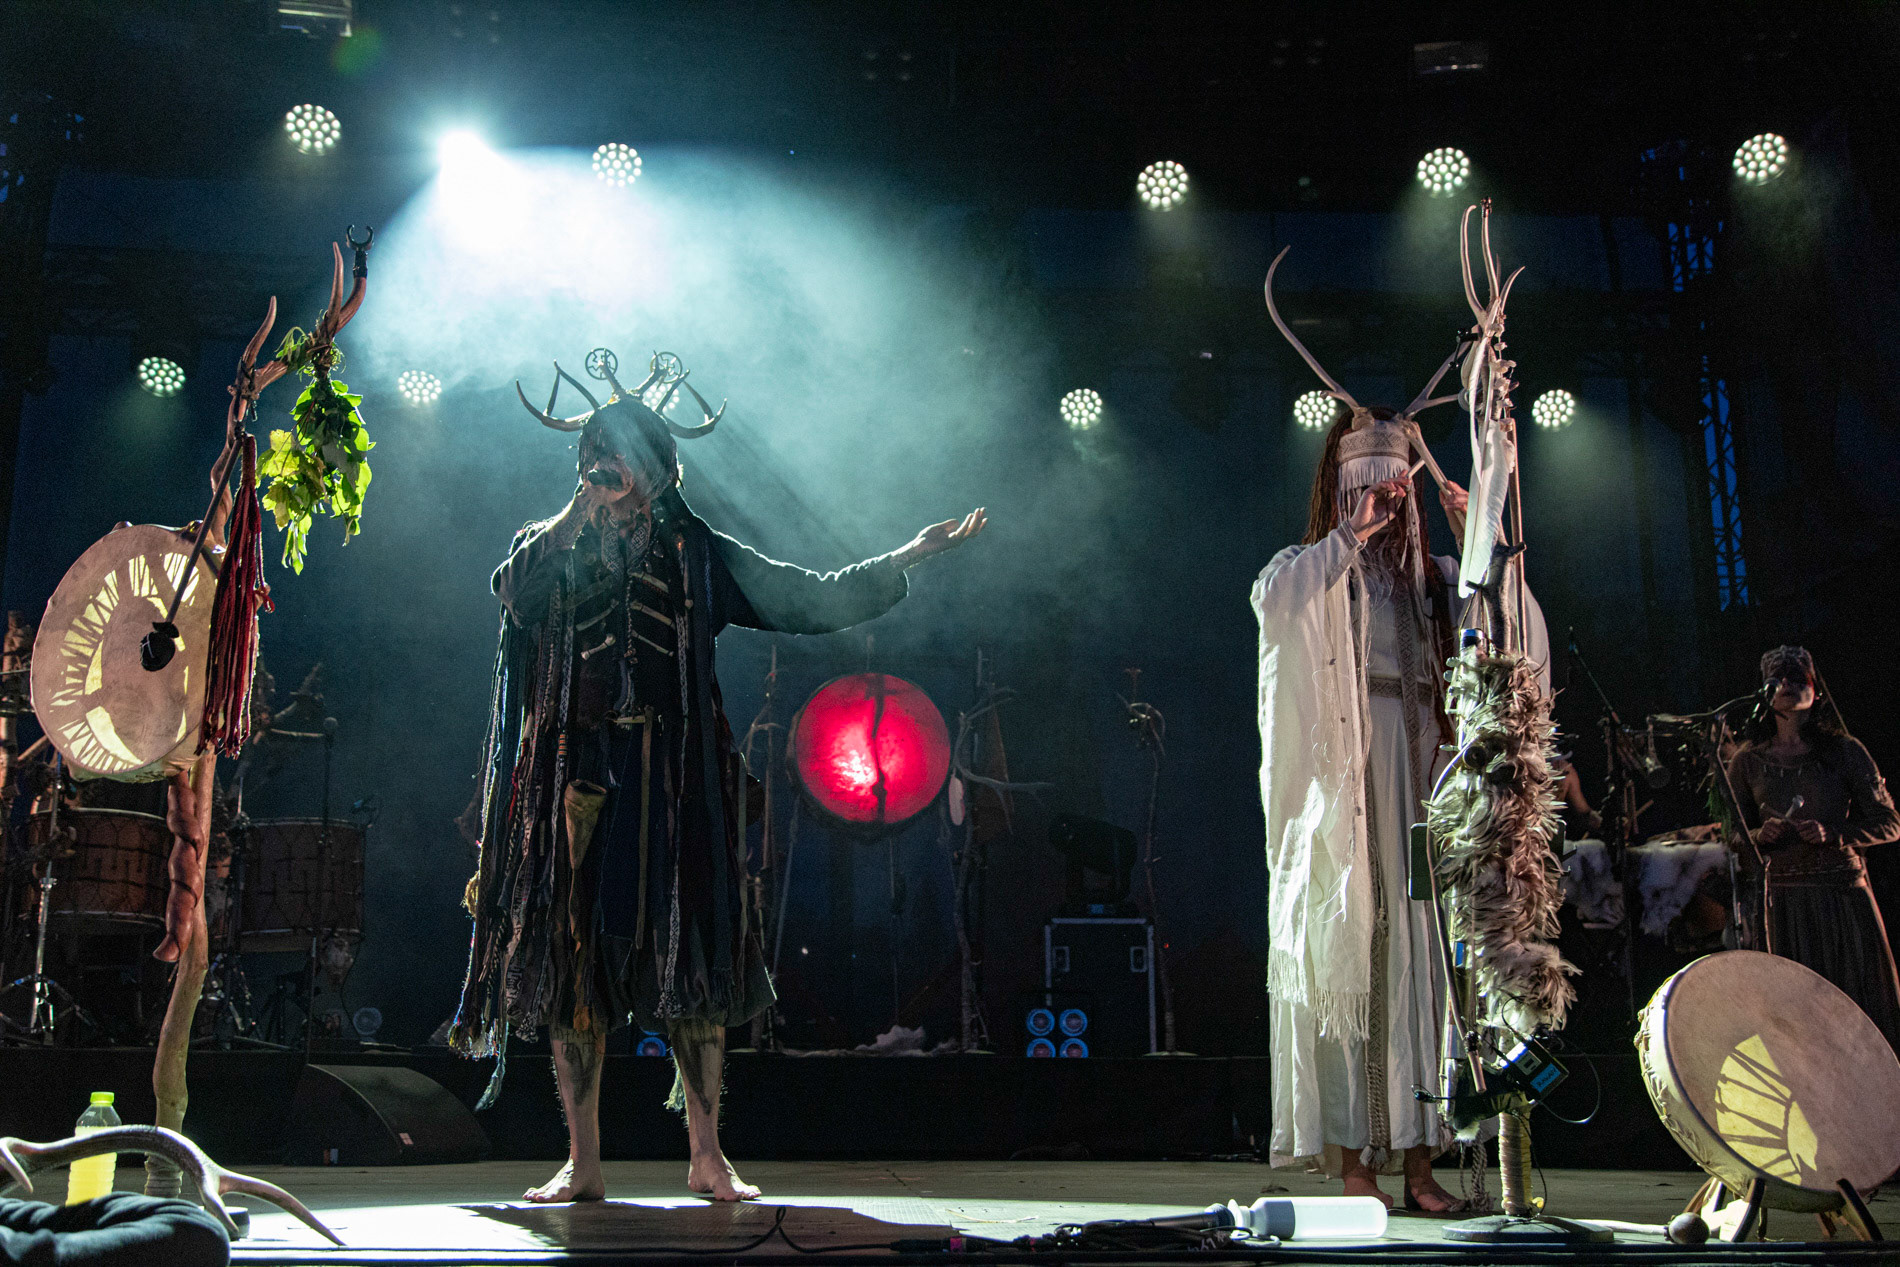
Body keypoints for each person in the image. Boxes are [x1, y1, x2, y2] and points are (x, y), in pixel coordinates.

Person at [450, 355, 985, 1203]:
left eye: (626, 453)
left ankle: (706, 1153)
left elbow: (806, 597)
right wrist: (575, 510)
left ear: (663, 470)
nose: (610, 464)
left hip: (674, 779)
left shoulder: (699, 553)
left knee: (692, 962)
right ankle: (582, 1163)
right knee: (571, 963)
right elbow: (511, 595)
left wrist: (905, 558)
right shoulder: (547, 544)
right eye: (598, 450)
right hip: (577, 779)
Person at [1253, 402, 1481, 1211]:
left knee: (1423, 967)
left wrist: (1477, 532)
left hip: (1421, 781)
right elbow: (1277, 605)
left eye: (1399, 488)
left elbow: (1514, 627)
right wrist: (1349, 536)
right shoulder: (1309, 568)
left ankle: (1422, 1163)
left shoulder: (1438, 586)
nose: (1389, 502)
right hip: (1348, 793)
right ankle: (1358, 1161)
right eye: (1371, 487)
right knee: (1355, 954)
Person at [1726, 646, 1900, 1051]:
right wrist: (1756, 836)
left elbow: (1890, 823)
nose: (1787, 685)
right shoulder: (1747, 761)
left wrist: (1833, 832)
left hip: (1840, 898)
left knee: (1858, 1007)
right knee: (1797, 1024)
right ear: (1764, 693)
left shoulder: (1844, 752)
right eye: (1778, 679)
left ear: (1815, 690)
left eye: (1796, 677)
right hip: (1783, 903)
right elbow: (1731, 834)